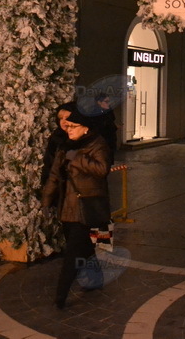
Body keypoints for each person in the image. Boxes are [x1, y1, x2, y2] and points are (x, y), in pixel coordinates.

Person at [41, 109, 111, 309]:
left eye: (73, 126)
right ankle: (96, 278)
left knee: (72, 255)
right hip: (67, 207)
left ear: (85, 128)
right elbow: (54, 175)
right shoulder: (65, 147)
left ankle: (60, 296)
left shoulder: (98, 144)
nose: (68, 129)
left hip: (87, 209)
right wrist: (46, 201)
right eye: (67, 126)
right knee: (86, 247)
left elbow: (102, 169)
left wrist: (78, 158)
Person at [40, 101, 76, 187]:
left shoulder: (82, 137)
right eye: (61, 118)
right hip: (57, 185)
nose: (63, 121)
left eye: (67, 117)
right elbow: (49, 162)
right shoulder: (56, 137)